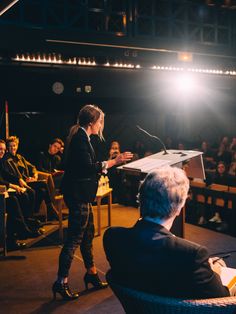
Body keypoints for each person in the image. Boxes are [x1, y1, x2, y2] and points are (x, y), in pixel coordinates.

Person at [103, 166, 230, 299]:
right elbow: (222, 299)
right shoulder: (191, 255)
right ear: (179, 208)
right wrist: (214, 272)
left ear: (141, 199)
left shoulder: (112, 237)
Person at [52, 104, 133, 301]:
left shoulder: (81, 136)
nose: (101, 125)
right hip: (78, 195)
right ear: (91, 123)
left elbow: (85, 168)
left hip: (81, 194)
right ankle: (60, 282)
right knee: (73, 240)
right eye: (99, 122)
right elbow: (87, 167)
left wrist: (104, 166)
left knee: (88, 234)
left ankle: (91, 273)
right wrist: (114, 161)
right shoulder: (80, 138)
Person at [4, 136, 58, 221]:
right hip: (20, 183)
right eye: (10, 146)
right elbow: (10, 175)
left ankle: (35, 213)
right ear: (7, 148)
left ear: (17, 146)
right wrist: (23, 180)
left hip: (28, 181)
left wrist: (34, 176)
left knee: (42, 191)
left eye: (14, 145)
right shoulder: (7, 159)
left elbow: (32, 167)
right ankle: (50, 208)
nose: (12, 148)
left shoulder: (20, 157)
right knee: (43, 183)